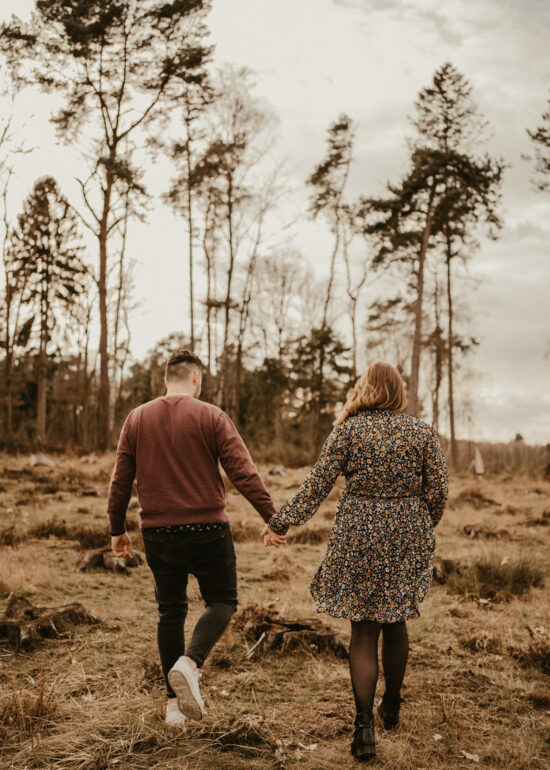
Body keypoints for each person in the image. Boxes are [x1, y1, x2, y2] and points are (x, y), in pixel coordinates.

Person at [263, 361, 448, 762]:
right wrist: (419, 523)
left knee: (363, 629)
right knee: (395, 618)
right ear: (398, 391)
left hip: (359, 532)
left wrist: (282, 521)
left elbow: (317, 484)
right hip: (405, 531)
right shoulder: (420, 431)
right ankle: (392, 705)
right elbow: (439, 490)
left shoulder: (349, 430)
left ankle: (363, 726)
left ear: (364, 388)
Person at [107, 349, 285, 727]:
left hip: (157, 532)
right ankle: (190, 663)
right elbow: (243, 472)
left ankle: (173, 707)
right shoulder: (211, 416)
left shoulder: (137, 418)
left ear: (165, 380)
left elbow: (120, 479)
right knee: (223, 600)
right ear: (196, 380)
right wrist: (273, 518)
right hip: (208, 529)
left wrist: (117, 529)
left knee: (170, 611)